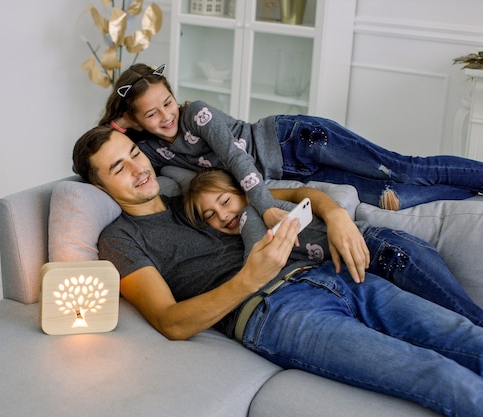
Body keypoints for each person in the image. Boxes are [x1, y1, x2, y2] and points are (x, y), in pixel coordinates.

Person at [72, 125, 483, 417]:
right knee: (436, 374)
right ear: (100, 187)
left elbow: (297, 195)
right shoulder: (120, 240)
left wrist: (337, 215)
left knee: (466, 338)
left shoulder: (195, 199)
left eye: (134, 155)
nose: (139, 170)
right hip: (274, 313)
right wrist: (251, 276)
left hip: (330, 275)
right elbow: (170, 322)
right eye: (118, 169)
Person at [98, 63, 483, 228]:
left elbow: (235, 157)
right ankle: (472, 192)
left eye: (167, 103)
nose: (165, 116)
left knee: (402, 168)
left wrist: (263, 207)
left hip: (296, 141)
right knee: (388, 196)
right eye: (151, 115)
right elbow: (164, 181)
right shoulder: (151, 152)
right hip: (293, 172)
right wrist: (117, 126)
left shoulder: (196, 113)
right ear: (134, 121)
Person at [183, 167, 483, 326]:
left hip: (380, 248)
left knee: (466, 318)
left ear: (242, 191)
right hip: (358, 274)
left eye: (224, 202)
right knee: (449, 324)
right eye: (210, 215)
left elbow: (303, 193)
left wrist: (337, 216)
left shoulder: (255, 205)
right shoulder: (248, 234)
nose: (223, 215)